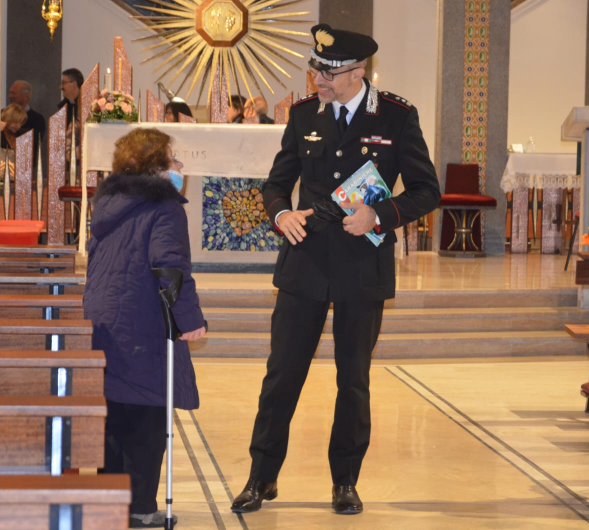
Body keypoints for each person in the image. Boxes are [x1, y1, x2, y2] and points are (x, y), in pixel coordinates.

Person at [230, 24, 440, 515]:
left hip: (361, 267)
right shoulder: (304, 115)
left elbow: (427, 190)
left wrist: (381, 215)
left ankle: (345, 480)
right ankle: (262, 476)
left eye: (331, 71)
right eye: (317, 69)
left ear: (359, 71)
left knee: (353, 379)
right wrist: (282, 214)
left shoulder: (396, 116)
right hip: (305, 264)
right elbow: (276, 183)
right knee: (282, 374)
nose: (319, 79)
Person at [85, 128, 206, 528]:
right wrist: (190, 321)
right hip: (142, 323)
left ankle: (111, 504)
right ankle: (139, 509)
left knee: (113, 417)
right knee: (147, 419)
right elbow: (169, 267)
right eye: (173, 160)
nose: (179, 167)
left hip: (104, 319)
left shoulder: (109, 203)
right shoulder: (164, 208)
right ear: (155, 166)